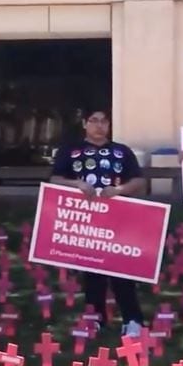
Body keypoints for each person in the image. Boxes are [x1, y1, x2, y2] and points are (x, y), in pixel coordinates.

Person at [50, 106, 147, 338]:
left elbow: (138, 180)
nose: (99, 125)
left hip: (117, 217)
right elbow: (54, 179)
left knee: (122, 270)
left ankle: (132, 320)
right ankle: (95, 319)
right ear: (85, 123)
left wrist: (119, 190)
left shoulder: (122, 151)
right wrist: (78, 185)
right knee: (92, 271)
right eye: (94, 120)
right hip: (85, 219)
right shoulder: (70, 151)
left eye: (104, 121)